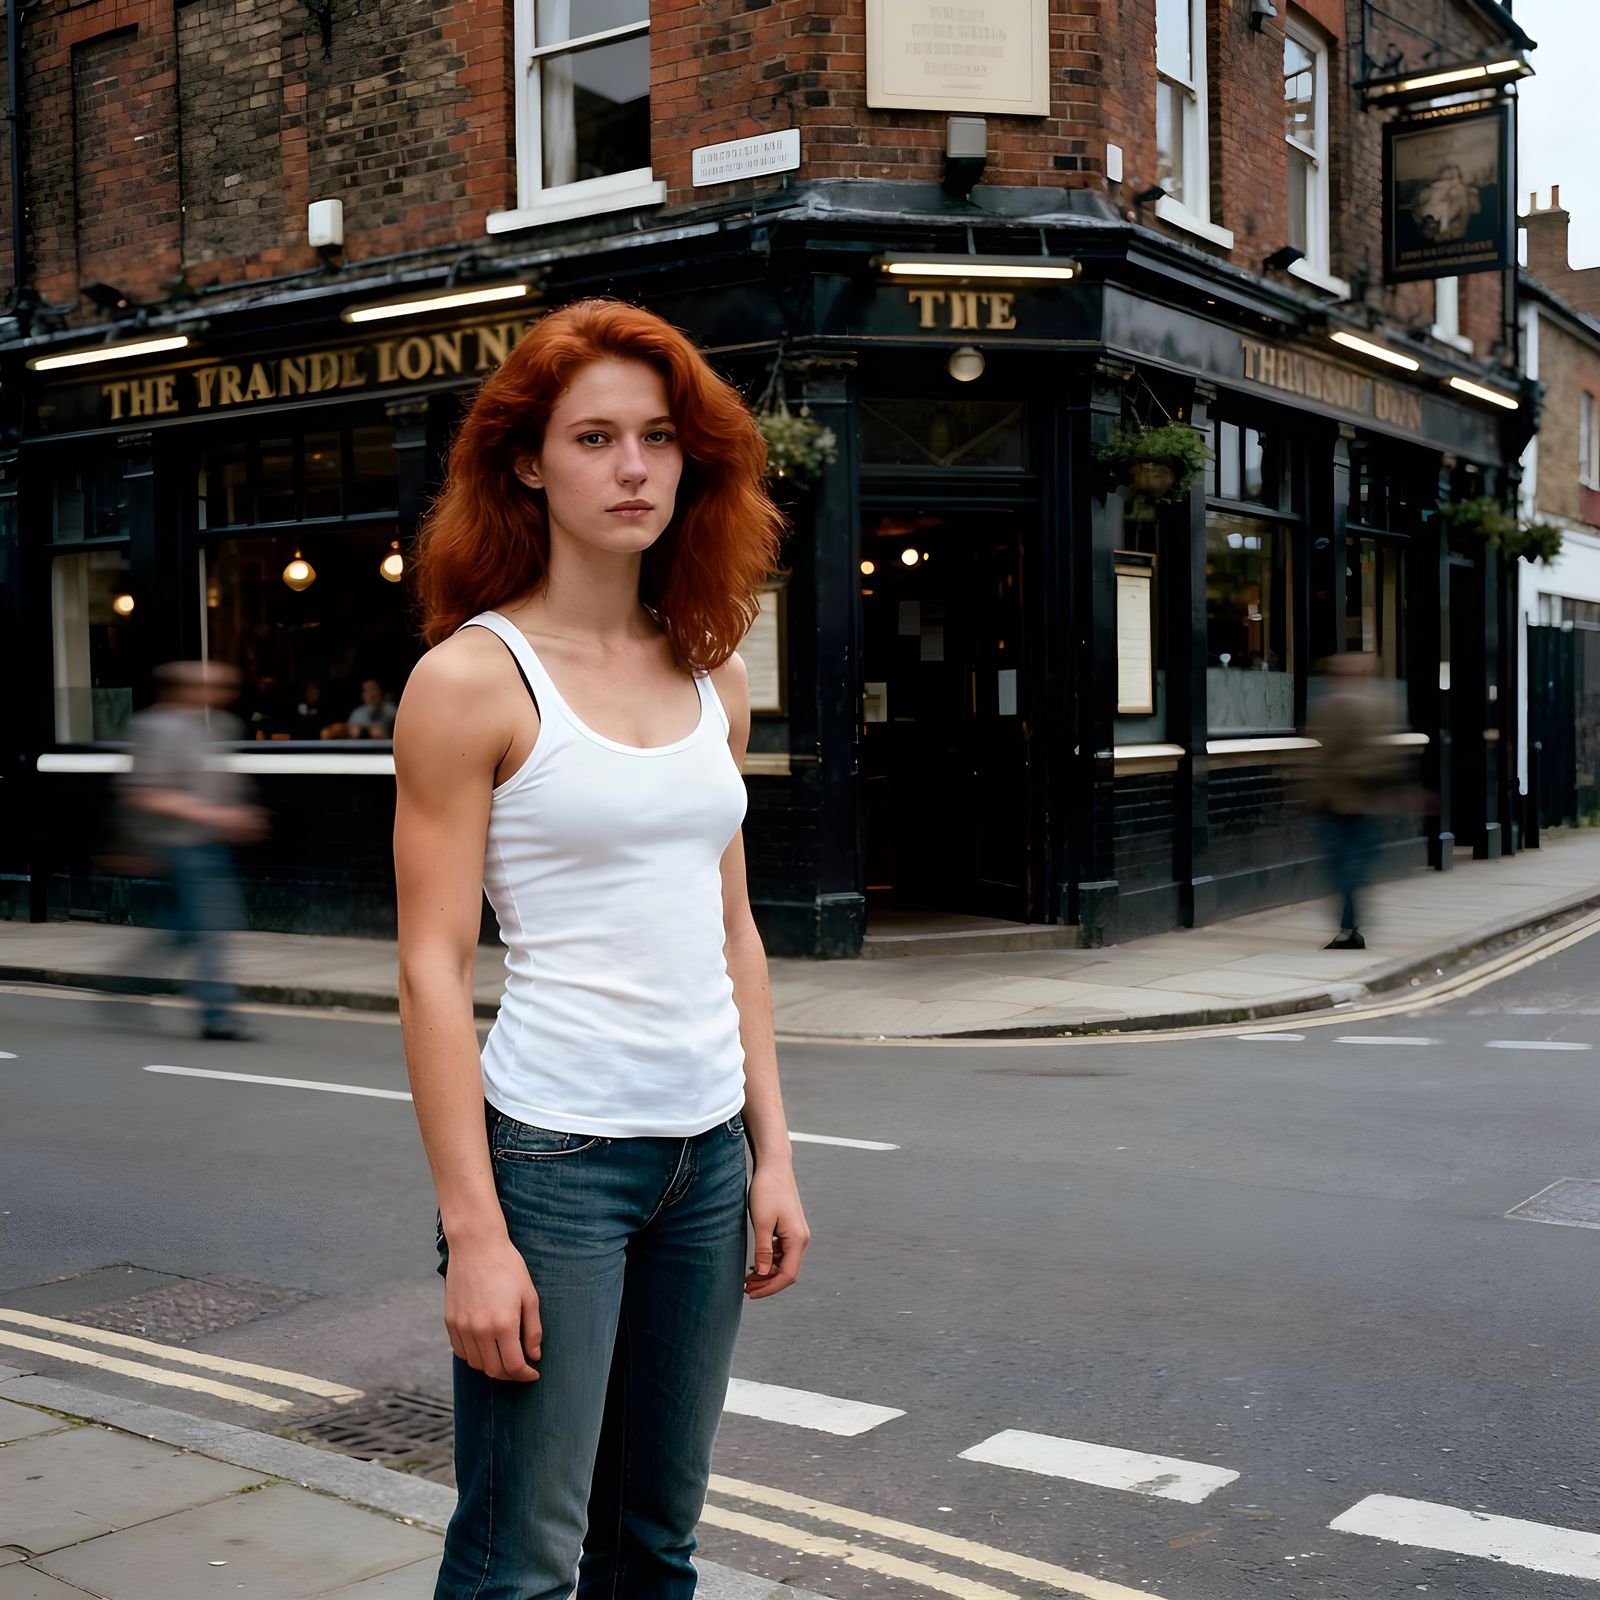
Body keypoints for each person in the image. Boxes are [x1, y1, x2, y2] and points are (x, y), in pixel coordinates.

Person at [393, 298, 808, 1600]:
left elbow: (731, 928)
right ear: (527, 459)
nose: (633, 467)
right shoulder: (473, 681)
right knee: (520, 1563)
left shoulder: (711, 669)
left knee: (655, 1547)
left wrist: (773, 1154)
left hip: (705, 1160)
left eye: (658, 438)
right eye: (594, 437)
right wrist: (477, 1233)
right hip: (555, 1161)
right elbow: (427, 969)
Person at [119, 660, 267, 1038]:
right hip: (179, 842)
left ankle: (125, 987)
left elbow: (219, 778)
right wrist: (215, 815)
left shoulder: (218, 725)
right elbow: (144, 792)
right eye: (211, 685)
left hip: (211, 842)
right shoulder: (153, 727)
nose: (221, 692)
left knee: (185, 929)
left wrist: (238, 814)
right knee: (215, 925)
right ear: (181, 688)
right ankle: (217, 1016)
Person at [1305, 652, 1403, 951]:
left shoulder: (1362, 706)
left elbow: (1372, 755)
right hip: (1348, 800)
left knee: (1346, 865)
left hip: (1349, 799)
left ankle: (1349, 929)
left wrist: (1342, 772)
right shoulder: (1377, 704)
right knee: (1349, 864)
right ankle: (1351, 925)